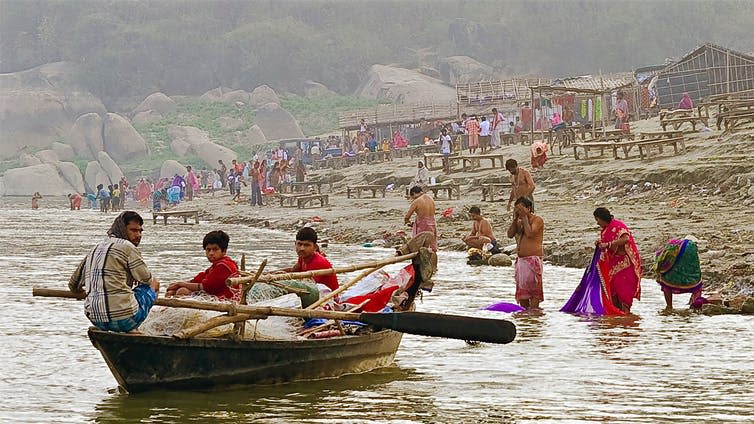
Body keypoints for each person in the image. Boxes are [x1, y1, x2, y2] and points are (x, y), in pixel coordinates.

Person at [68, 211, 160, 333]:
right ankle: (134, 328)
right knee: (155, 283)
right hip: (124, 320)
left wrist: (86, 293)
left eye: (140, 231)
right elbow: (147, 279)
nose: (138, 235)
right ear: (122, 229)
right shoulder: (128, 247)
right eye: (133, 230)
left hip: (95, 319)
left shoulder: (96, 248)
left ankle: (129, 327)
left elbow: (73, 285)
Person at [593, 207, 642, 313]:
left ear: (602, 218)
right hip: (613, 264)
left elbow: (625, 239)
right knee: (613, 294)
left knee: (624, 293)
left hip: (625, 264)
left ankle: (625, 318)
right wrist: (600, 243)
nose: (597, 223)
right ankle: (619, 321)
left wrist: (608, 244)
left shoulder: (618, 225)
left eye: (597, 220)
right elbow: (606, 242)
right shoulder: (605, 230)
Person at [166, 230, 240, 300]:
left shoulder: (223, 266)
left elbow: (205, 287)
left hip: (225, 300)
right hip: (215, 296)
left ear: (224, 251)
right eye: (208, 250)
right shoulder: (216, 265)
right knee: (173, 291)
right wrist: (176, 285)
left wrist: (180, 284)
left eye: (215, 249)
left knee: (182, 291)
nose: (211, 253)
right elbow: (197, 279)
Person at [506, 197, 544, 309]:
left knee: (534, 293)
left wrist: (524, 217)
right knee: (522, 294)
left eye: (520, 209)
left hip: (533, 260)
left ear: (528, 208)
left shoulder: (537, 220)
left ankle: (534, 313)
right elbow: (510, 234)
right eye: (516, 209)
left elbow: (530, 234)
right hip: (521, 261)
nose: (518, 211)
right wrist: (515, 220)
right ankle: (526, 319)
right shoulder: (519, 221)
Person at [281, 227, 339, 294]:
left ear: (315, 247)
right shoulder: (303, 257)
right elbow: (293, 271)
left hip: (327, 298)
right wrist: (269, 275)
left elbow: (309, 287)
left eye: (306, 245)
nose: (302, 248)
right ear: (295, 244)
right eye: (299, 244)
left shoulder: (318, 262)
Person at [653, 237, 702, 310]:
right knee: (697, 288)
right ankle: (695, 307)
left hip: (672, 276)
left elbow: (663, 259)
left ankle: (669, 306)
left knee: (666, 286)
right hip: (692, 278)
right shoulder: (692, 252)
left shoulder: (671, 246)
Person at [404, 186, 438, 252]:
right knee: (431, 245)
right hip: (432, 223)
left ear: (413, 193)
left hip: (422, 225)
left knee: (419, 246)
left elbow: (407, 216)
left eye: (412, 197)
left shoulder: (417, 201)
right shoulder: (431, 199)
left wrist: (408, 222)